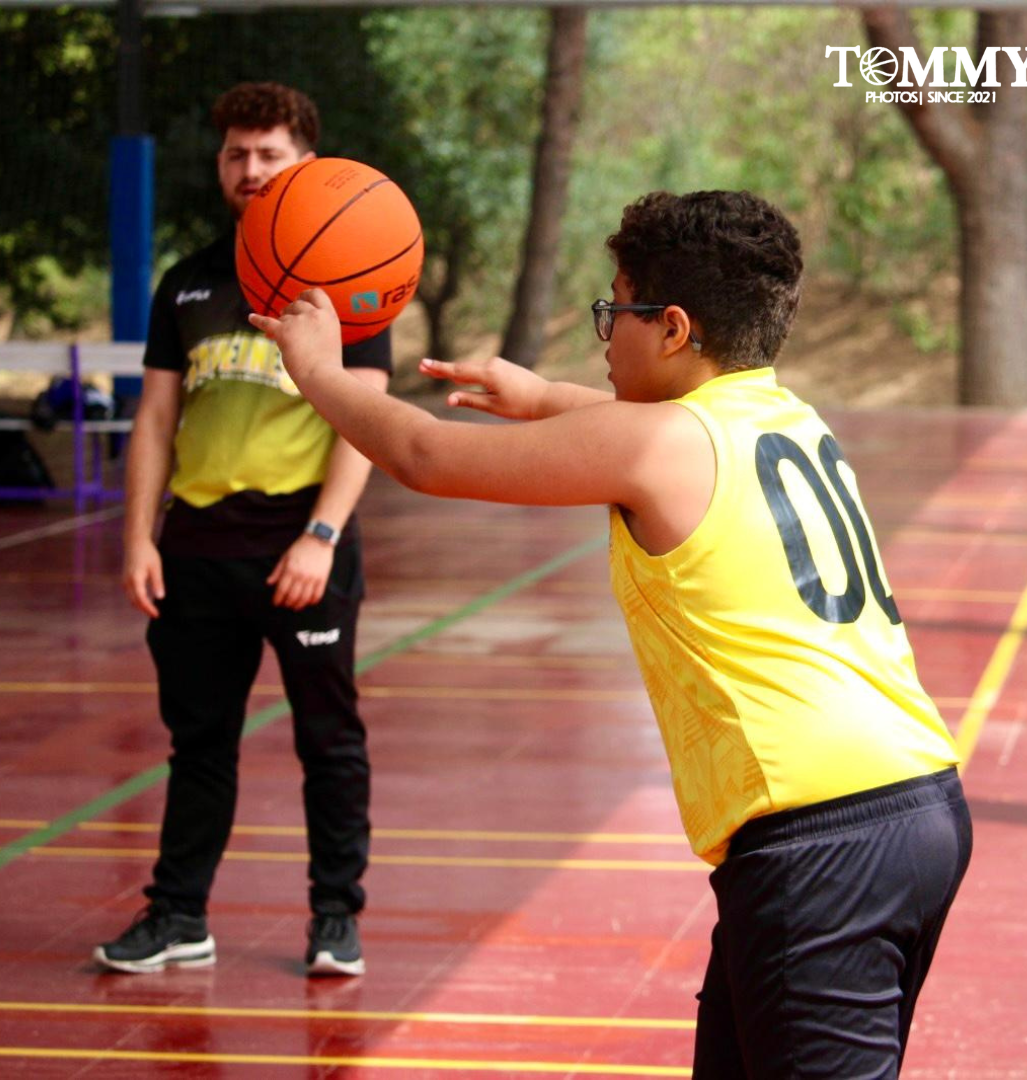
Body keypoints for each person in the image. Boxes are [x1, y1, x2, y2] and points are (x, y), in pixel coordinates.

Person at [252, 188, 972, 1075]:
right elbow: (649, 433)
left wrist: (320, 372)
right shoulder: (787, 419)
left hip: (820, 842)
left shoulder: (658, 446)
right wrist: (540, 397)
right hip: (916, 807)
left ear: (672, 329)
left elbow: (424, 455)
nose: (604, 334)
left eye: (615, 310)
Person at [94, 82, 391, 978]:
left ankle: (335, 916)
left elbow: (365, 421)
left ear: (307, 164)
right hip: (196, 548)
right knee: (198, 744)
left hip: (300, 545)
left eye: (269, 153)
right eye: (236, 153)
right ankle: (179, 914)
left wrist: (322, 536)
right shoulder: (186, 280)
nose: (250, 168)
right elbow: (156, 418)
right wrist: (138, 538)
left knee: (328, 740)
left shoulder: (346, 279)